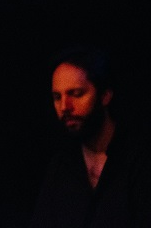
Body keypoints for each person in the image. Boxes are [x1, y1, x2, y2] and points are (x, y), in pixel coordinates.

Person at [29, 44, 151, 227]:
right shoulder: (61, 166)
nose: (64, 107)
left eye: (76, 94)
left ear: (105, 96)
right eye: (57, 97)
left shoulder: (139, 159)